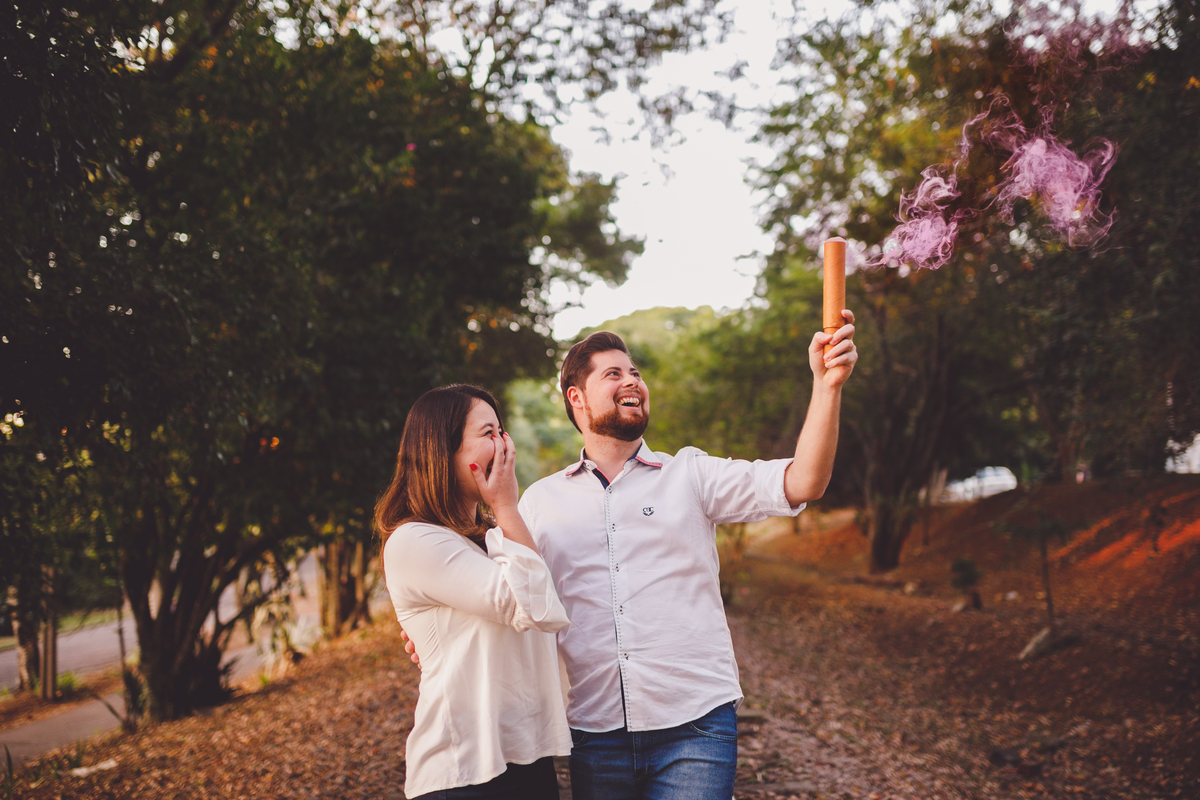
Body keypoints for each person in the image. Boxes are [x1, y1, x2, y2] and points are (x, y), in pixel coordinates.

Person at [403, 313, 857, 800]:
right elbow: (500, 595)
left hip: (695, 726)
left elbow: (805, 480)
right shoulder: (535, 504)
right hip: (594, 734)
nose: (632, 381)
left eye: (635, 372)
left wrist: (827, 386)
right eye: (613, 374)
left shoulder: (692, 476)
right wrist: (429, 634)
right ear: (576, 398)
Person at [376, 384, 572, 800]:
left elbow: (547, 608)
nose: (505, 446)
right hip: (463, 770)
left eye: (503, 431)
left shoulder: (492, 540)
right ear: (440, 451)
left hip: (528, 759)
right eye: (488, 434)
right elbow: (533, 606)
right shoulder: (414, 541)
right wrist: (506, 506)